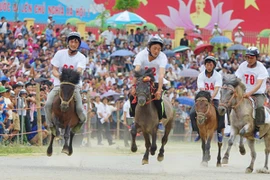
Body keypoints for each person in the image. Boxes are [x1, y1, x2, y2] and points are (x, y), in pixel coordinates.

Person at [44, 32, 87, 136]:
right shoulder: (59, 53)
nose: (73, 44)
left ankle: (80, 123)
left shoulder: (82, 57)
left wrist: (71, 78)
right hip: (59, 84)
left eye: (76, 42)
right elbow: (54, 70)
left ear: (79, 44)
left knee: (80, 109)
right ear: (68, 42)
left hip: (73, 86)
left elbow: (79, 70)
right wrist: (60, 77)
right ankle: (51, 125)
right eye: (72, 41)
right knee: (48, 104)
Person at [130, 35, 168, 131]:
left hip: (155, 82)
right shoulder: (141, 55)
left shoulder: (163, 57)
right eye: (154, 48)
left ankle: (159, 121)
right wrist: (133, 87)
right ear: (149, 47)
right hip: (142, 82)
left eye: (159, 49)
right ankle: (134, 119)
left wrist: (159, 90)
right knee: (131, 97)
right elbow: (137, 71)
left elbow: (161, 75)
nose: (156, 51)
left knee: (159, 100)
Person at [235, 47, 269, 138]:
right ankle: (231, 126)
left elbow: (258, 85)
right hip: (244, 92)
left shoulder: (261, 68)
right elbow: (237, 78)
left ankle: (258, 128)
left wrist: (249, 94)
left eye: (251, 57)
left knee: (259, 106)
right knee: (230, 102)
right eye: (247, 57)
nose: (249, 59)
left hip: (257, 93)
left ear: (256, 58)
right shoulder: (242, 65)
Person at [190, 56, 224, 142]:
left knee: (220, 112)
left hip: (214, 98)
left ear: (213, 66)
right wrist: (206, 99)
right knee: (192, 112)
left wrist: (211, 97)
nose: (209, 66)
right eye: (207, 64)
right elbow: (201, 88)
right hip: (203, 98)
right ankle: (198, 131)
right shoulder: (201, 75)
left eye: (211, 64)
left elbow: (216, 88)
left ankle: (219, 131)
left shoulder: (218, 75)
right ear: (205, 65)